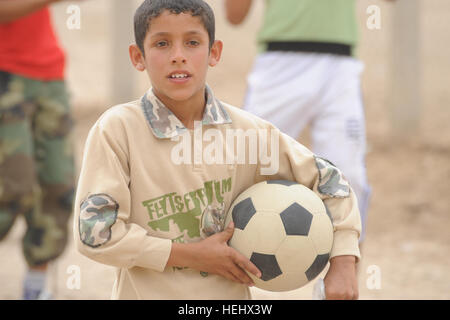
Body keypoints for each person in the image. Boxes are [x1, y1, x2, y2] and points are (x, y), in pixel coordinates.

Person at [73, 0, 362, 300]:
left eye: (192, 43)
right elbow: (95, 234)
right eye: (161, 43)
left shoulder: (248, 133)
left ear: (214, 53)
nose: (178, 56)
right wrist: (188, 255)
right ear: (138, 56)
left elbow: (332, 181)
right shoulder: (118, 131)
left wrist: (343, 260)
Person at [225, 0, 393, 247]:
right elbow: (235, 15)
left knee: (349, 177)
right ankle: (220, 270)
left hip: (339, 64)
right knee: (243, 166)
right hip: (279, 63)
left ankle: (340, 276)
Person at [0, 0, 79, 299]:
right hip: (4, 71)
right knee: (11, 186)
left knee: (56, 185)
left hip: (49, 71)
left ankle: (36, 287)